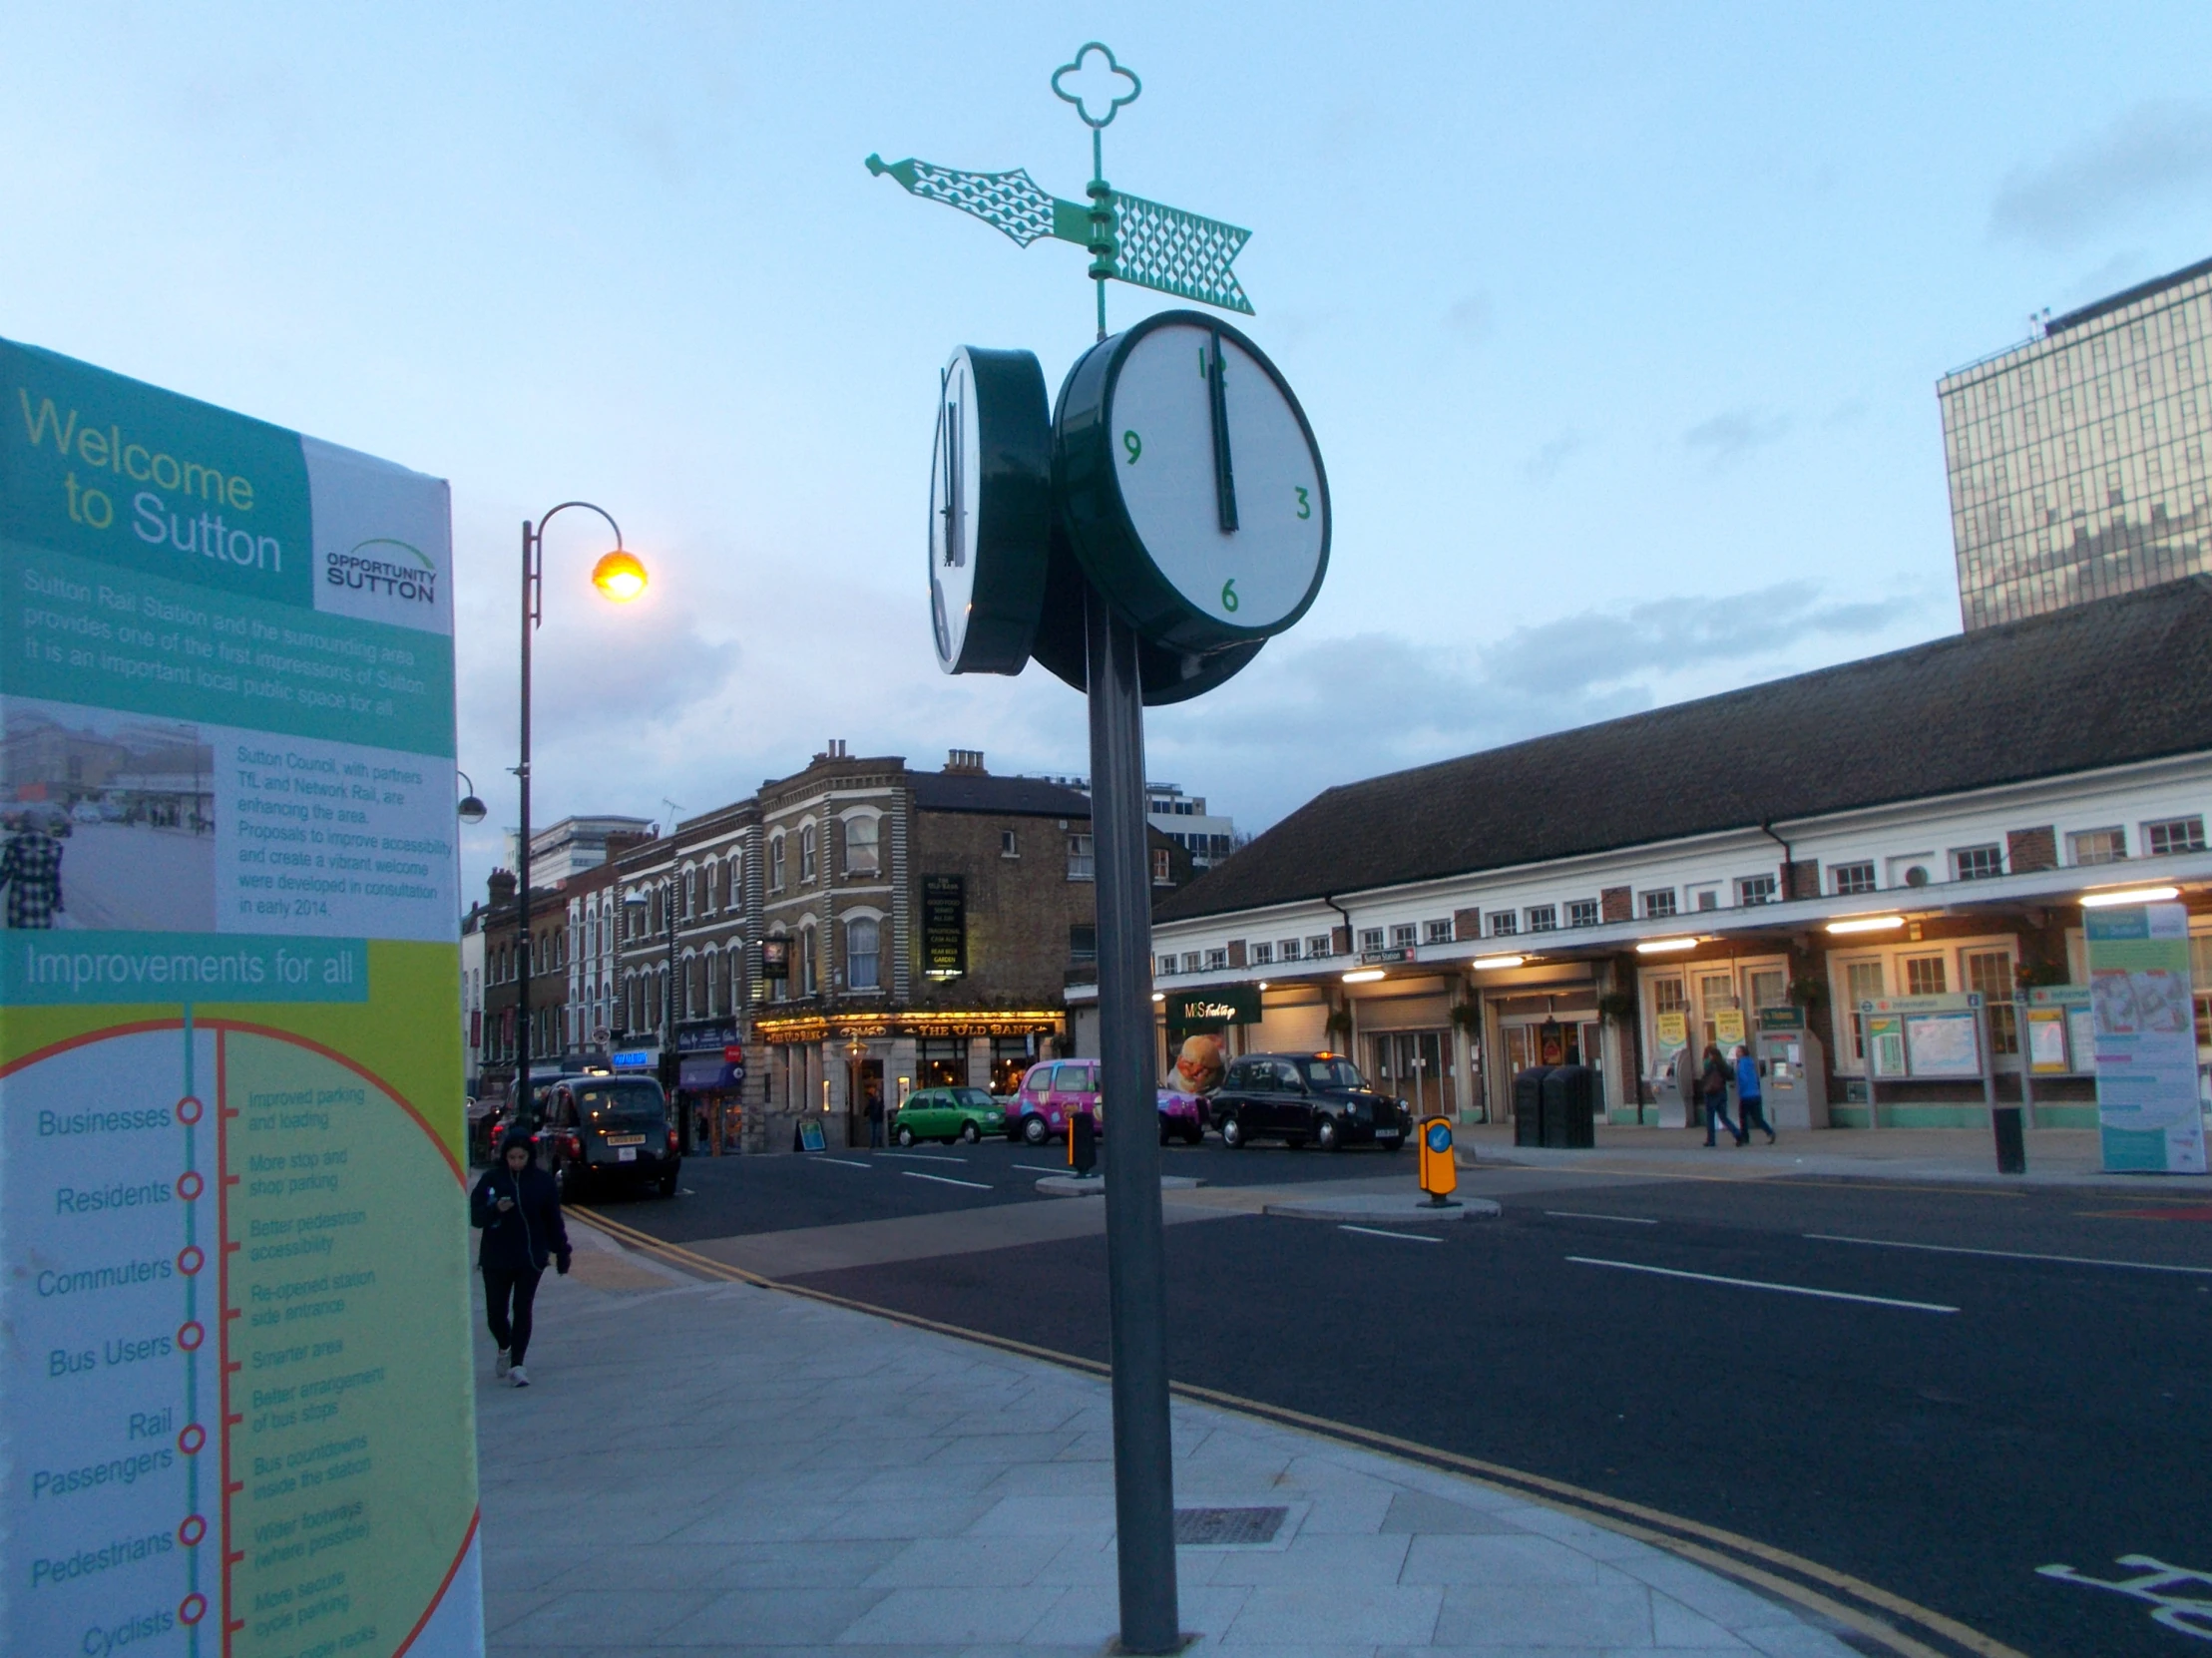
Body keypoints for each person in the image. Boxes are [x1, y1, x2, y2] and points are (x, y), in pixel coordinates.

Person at [471, 1135, 570, 1387]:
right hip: (496, 1257)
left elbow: (553, 1222)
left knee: (522, 1309)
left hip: (530, 1257)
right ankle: (504, 1345)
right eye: (512, 1158)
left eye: (521, 1158)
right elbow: (475, 1217)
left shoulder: (541, 1183)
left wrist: (562, 1252)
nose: (516, 1162)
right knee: (496, 1314)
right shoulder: (491, 1180)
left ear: (529, 1157)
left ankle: (517, 1364)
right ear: (504, 1157)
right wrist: (495, 1210)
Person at [0, 818, 65, 929]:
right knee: (40, 937)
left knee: (18, 936)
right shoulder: (53, 846)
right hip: (42, 897)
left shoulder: (15, 844)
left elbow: (4, 873)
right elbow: (54, 877)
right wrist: (57, 901)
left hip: (19, 896)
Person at [1700, 1042, 1746, 1147]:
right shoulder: (1723, 1063)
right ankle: (1738, 1134)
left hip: (1711, 1093)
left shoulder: (1708, 1063)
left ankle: (1711, 1140)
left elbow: (1704, 1076)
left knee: (1710, 1118)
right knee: (1724, 1117)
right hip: (1722, 1092)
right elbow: (1730, 1075)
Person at [1735, 1044, 1776, 1143]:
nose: (1737, 1053)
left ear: (1743, 1053)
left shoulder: (1741, 1064)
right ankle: (1770, 1132)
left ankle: (1745, 1137)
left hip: (1746, 1095)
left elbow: (1743, 1078)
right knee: (1757, 1118)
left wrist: (1740, 1090)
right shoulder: (1751, 1062)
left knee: (1743, 1117)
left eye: (1738, 1051)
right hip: (1755, 1093)